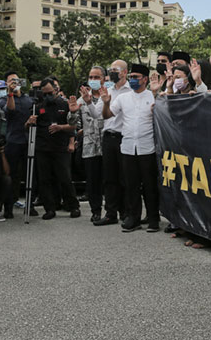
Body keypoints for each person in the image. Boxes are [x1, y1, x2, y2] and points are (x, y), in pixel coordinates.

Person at [100, 63, 159, 233]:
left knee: (149, 185)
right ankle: (133, 218)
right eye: (131, 77)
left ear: (145, 79)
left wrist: (157, 94)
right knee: (130, 185)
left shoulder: (152, 96)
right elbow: (107, 116)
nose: (132, 80)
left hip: (147, 147)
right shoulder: (123, 98)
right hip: (127, 147)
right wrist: (105, 103)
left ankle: (153, 218)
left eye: (136, 77)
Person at [27, 78, 80, 220]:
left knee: (65, 178)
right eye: (44, 94)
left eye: (49, 93)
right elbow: (28, 127)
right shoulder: (38, 107)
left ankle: (73, 206)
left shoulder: (65, 104)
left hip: (60, 147)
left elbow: (73, 126)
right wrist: (29, 122)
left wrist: (68, 138)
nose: (47, 96)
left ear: (56, 89)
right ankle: (49, 208)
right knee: (45, 180)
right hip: (42, 148)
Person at [89, 60, 132, 226]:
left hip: (124, 136)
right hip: (108, 137)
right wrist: (87, 102)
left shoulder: (131, 90)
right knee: (109, 177)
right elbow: (97, 114)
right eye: (111, 69)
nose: (112, 72)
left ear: (124, 72)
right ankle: (111, 213)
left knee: (126, 177)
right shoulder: (107, 89)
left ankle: (127, 212)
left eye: (116, 69)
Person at [67, 67, 106, 222]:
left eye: (97, 77)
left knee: (111, 180)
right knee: (92, 181)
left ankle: (114, 210)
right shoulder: (82, 99)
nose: (93, 80)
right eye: (91, 77)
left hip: (107, 144)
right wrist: (72, 112)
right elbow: (72, 123)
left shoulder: (108, 96)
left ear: (104, 78)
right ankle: (95, 211)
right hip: (90, 146)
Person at [3, 71, 34, 218]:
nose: (14, 82)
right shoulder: (5, 99)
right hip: (13, 141)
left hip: (28, 141)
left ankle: (30, 204)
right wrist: (10, 93)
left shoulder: (29, 99)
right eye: (11, 81)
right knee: (11, 176)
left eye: (16, 80)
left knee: (30, 174)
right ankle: (8, 206)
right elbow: (10, 110)